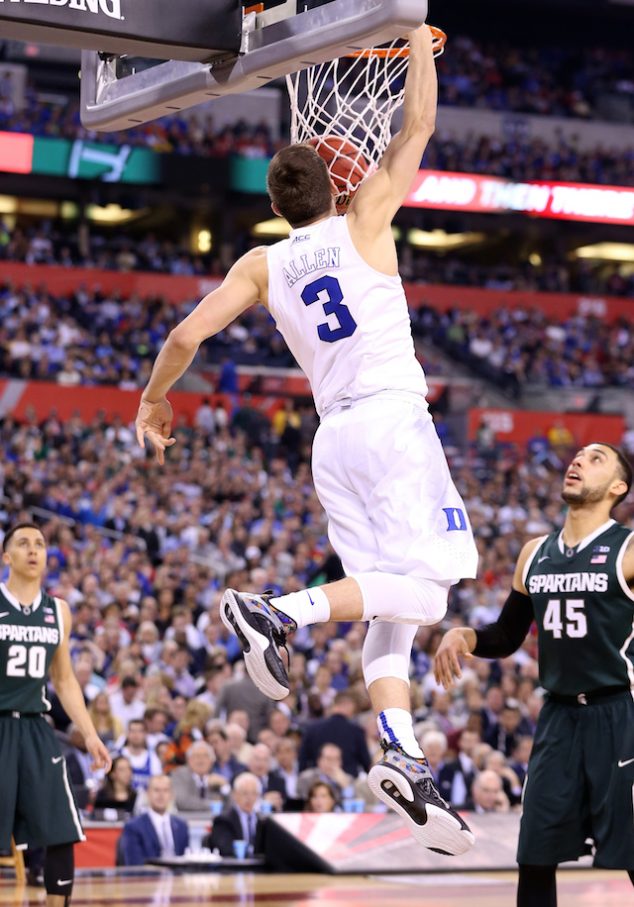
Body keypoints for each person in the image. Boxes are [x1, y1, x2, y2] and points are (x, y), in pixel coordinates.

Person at [135, 24, 477, 858]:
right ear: (339, 180)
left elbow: (183, 336)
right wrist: (415, 39)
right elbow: (419, 127)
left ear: (276, 204)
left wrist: (154, 401)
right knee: (429, 595)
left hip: (334, 440)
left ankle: (400, 752)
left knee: (387, 598)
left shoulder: (260, 264)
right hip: (393, 422)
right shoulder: (366, 216)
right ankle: (273, 609)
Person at [433, 443, 634, 907]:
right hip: (558, 720)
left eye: (597, 458)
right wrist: (464, 635)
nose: (579, 461)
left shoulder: (626, 549)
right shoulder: (534, 553)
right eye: (579, 455)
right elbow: (506, 635)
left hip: (619, 714)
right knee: (536, 853)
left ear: (618, 487)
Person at [0, 523, 111, 907]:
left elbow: (64, 681)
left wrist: (91, 734)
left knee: (61, 827)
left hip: (35, 726)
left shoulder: (58, 611)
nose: (34, 550)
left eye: (40, 544)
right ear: (6, 556)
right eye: (23, 543)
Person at [118, 774, 188, 866]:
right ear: (147, 794)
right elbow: (134, 866)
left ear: (171, 795)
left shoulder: (181, 826)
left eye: (165, 790)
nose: (161, 795)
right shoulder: (134, 827)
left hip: (177, 878)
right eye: (156, 790)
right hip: (148, 879)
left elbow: (185, 862)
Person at [202, 772, 265, 857]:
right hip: (234, 868)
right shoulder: (223, 820)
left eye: (254, 793)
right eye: (245, 793)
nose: (249, 798)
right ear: (235, 795)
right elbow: (226, 849)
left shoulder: (263, 821)